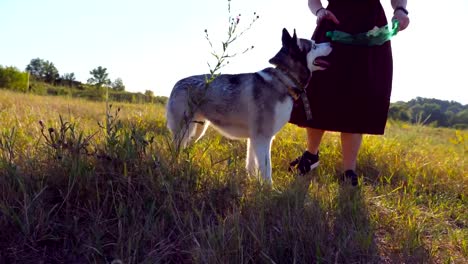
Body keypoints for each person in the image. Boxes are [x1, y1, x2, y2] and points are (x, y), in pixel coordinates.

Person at [288, 0, 410, 185]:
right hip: (332, 24)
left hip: (370, 29)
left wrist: (400, 10)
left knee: (358, 96)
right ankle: (311, 155)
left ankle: (349, 171)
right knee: (319, 92)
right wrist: (319, 11)